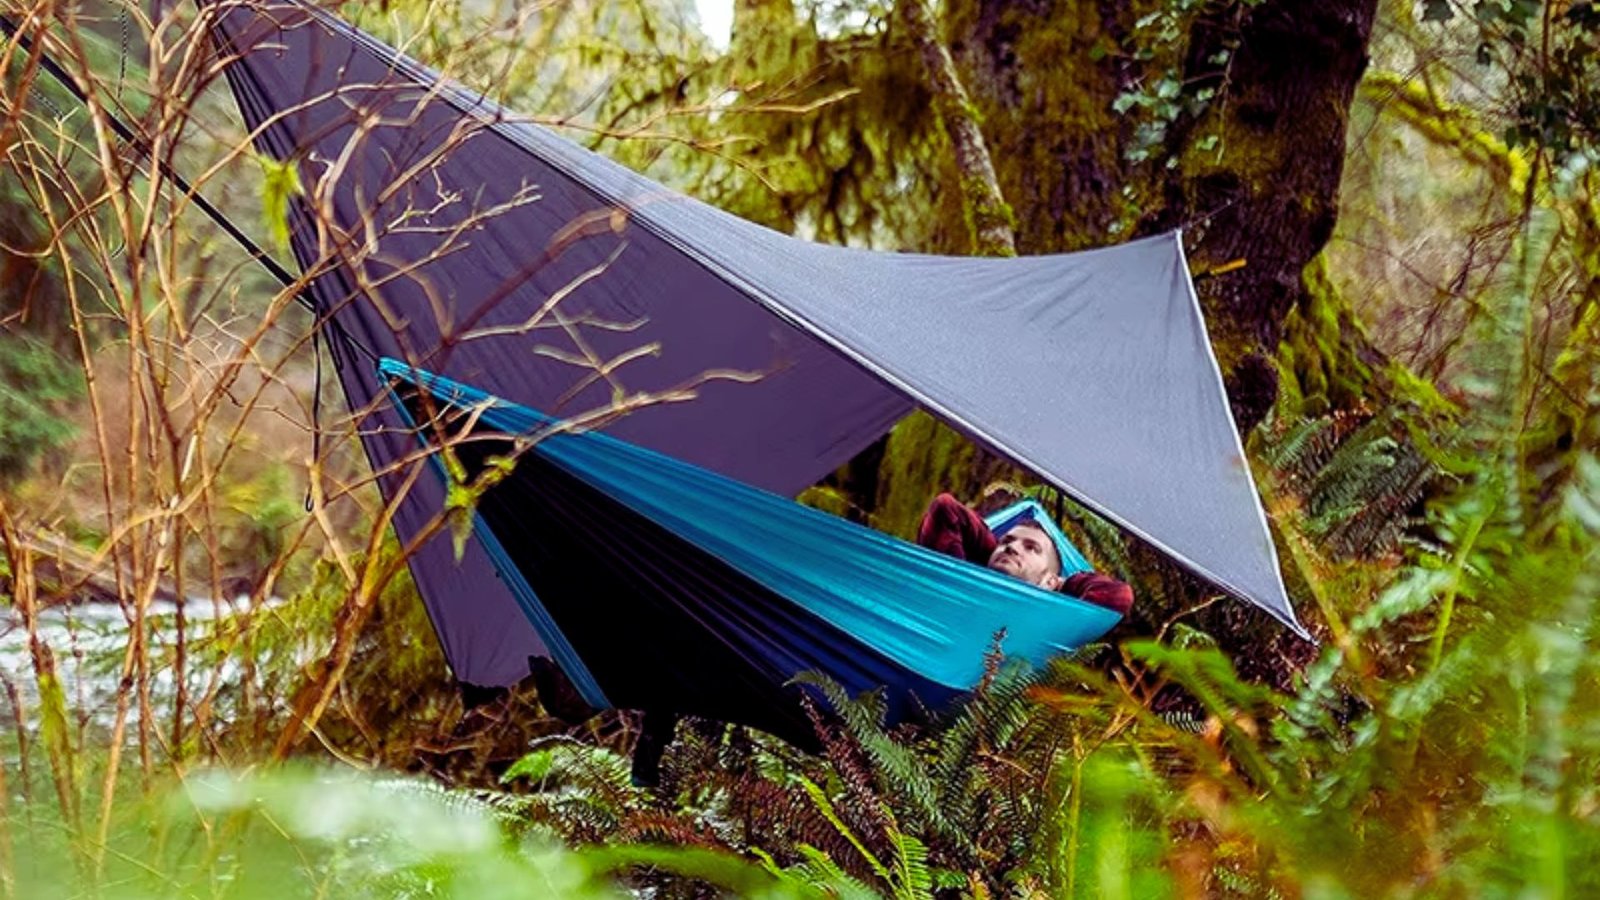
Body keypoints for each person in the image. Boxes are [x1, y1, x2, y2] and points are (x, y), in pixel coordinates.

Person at [917, 491, 1133, 615]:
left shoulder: (1046, 621)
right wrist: (994, 558)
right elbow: (945, 508)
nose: (1012, 547)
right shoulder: (953, 587)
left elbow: (1119, 595)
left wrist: (1058, 585)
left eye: (1032, 548)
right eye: (1006, 541)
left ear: (1050, 582)